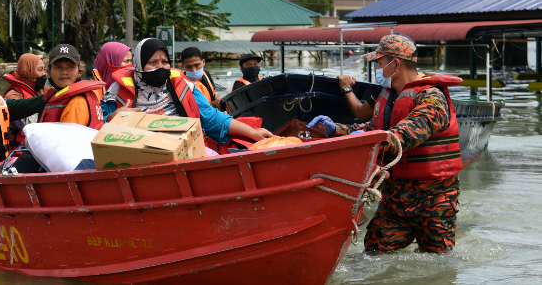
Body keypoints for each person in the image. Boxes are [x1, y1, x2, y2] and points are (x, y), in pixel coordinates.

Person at [307, 34, 462, 254]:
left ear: (395, 64)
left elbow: (404, 136)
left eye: (379, 63)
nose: (377, 69)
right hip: (395, 198)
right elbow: (372, 128)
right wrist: (336, 130)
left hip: (433, 199)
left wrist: (364, 139)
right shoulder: (389, 95)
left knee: (437, 262)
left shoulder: (432, 97)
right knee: (374, 252)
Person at [102, 38, 273, 144]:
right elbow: (97, 132)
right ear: (138, 65)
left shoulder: (182, 86)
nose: (160, 67)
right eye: (153, 63)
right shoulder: (117, 93)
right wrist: (113, 119)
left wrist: (253, 132)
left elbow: (213, 119)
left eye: (164, 62)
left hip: (185, 152)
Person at [39, 44, 106, 128]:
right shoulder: (53, 94)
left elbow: (67, 140)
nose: (64, 72)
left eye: (70, 67)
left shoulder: (76, 104)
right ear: (49, 72)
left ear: (80, 73)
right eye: (58, 67)